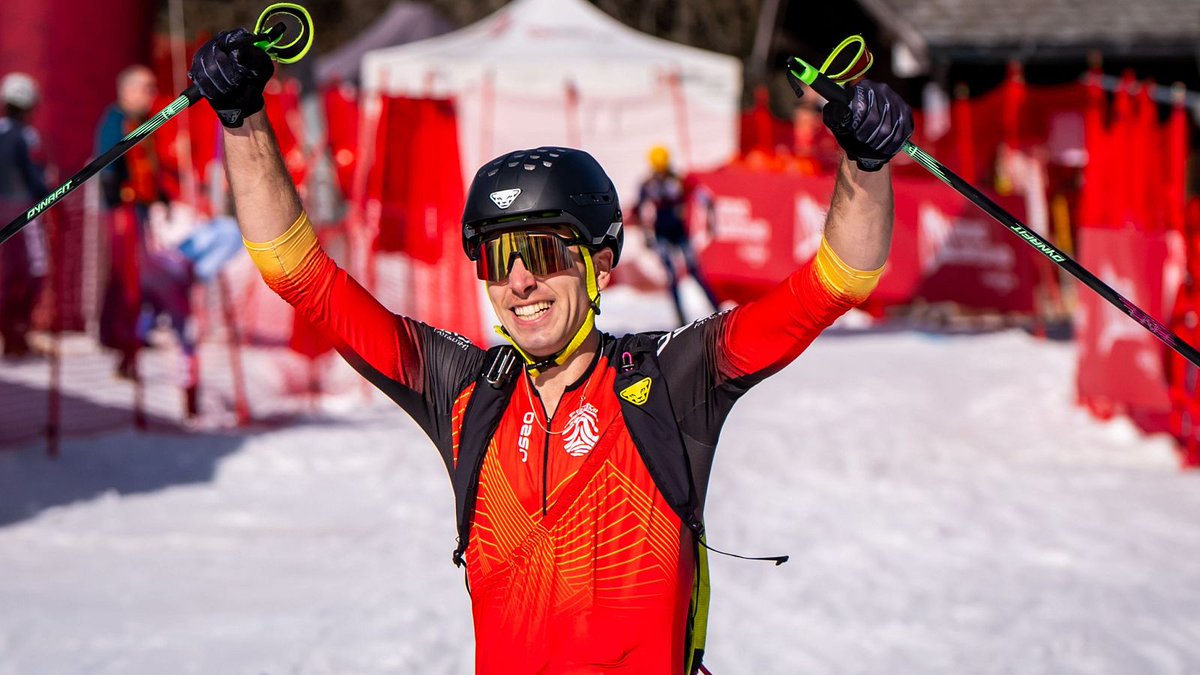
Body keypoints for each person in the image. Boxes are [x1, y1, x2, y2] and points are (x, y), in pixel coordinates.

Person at [189, 28, 912, 674]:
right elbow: (298, 274)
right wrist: (242, 116)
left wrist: (864, 162)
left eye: (541, 250)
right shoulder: (468, 394)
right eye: (498, 256)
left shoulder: (672, 380)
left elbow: (837, 278)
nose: (520, 280)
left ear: (599, 263)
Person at [94, 65, 198, 416]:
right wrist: (118, 193)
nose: (150, 95)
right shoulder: (117, 120)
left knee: (135, 278)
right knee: (129, 280)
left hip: (138, 210)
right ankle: (124, 346)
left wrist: (162, 199)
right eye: (145, 88)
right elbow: (108, 164)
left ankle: (126, 341)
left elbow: (147, 166)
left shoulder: (144, 123)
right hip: (123, 211)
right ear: (127, 90)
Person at [635, 145, 722, 326]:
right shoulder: (648, 184)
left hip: (679, 233)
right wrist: (646, 236)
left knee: (694, 272)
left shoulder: (678, 180)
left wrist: (711, 223)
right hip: (662, 235)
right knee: (672, 277)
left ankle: (716, 309)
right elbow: (641, 210)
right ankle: (681, 319)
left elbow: (706, 198)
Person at [0, 72, 49, 359]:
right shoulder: (25, 136)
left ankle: (11, 336)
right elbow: (34, 178)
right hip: (24, 216)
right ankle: (16, 333)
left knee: (6, 277)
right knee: (33, 273)